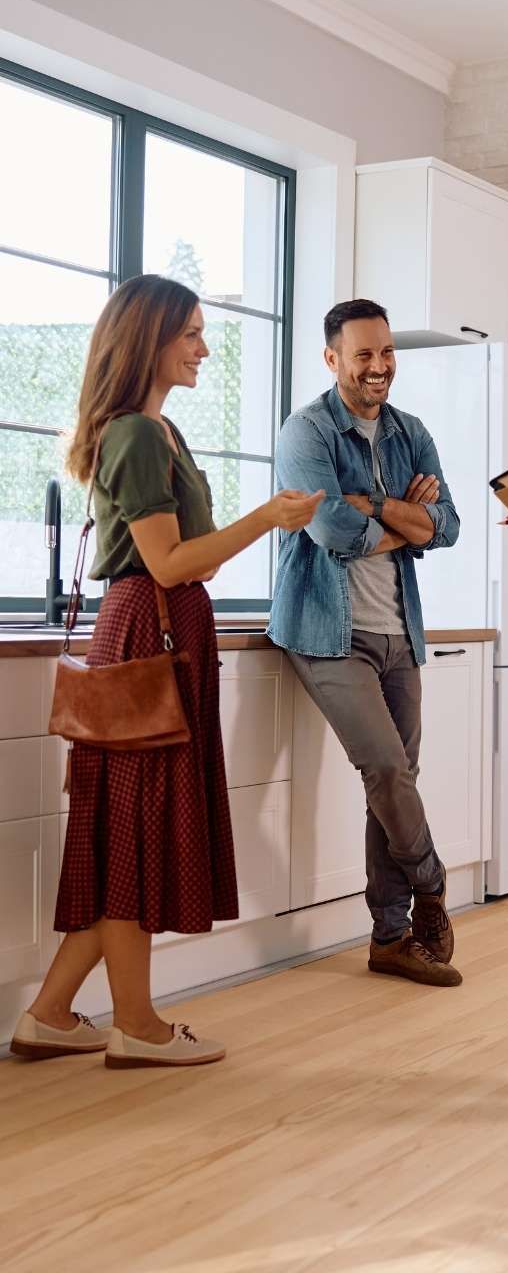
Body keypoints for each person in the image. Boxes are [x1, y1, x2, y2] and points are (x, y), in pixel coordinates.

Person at [11, 275, 322, 1069]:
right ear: (148, 339)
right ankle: (139, 1026)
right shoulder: (141, 436)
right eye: (189, 333)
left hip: (155, 634)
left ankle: (48, 1016)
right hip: (149, 636)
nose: (204, 348)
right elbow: (169, 561)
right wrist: (270, 519)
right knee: (133, 834)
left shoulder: (156, 431)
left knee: (124, 832)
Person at [268, 299, 463, 987]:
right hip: (327, 630)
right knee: (384, 768)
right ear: (333, 359)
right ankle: (434, 882)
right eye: (363, 355)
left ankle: (391, 938)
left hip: (399, 629)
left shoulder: (411, 431)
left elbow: (449, 527)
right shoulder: (307, 431)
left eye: (386, 353)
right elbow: (329, 532)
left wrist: (376, 505)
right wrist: (405, 521)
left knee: (394, 782)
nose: (379, 367)